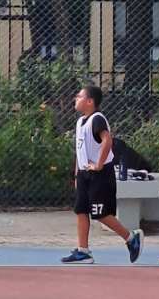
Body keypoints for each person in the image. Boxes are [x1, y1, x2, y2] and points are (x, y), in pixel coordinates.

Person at [60, 83, 143, 265]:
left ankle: (131, 237)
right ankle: (83, 251)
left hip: (100, 173)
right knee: (81, 210)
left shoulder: (97, 119)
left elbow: (107, 140)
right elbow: (80, 150)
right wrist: (77, 174)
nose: (76, 98)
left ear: (90, 101)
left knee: (100, 213)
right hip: (84, 174)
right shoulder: (80, 122)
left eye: (79, 96)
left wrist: (98, 164)